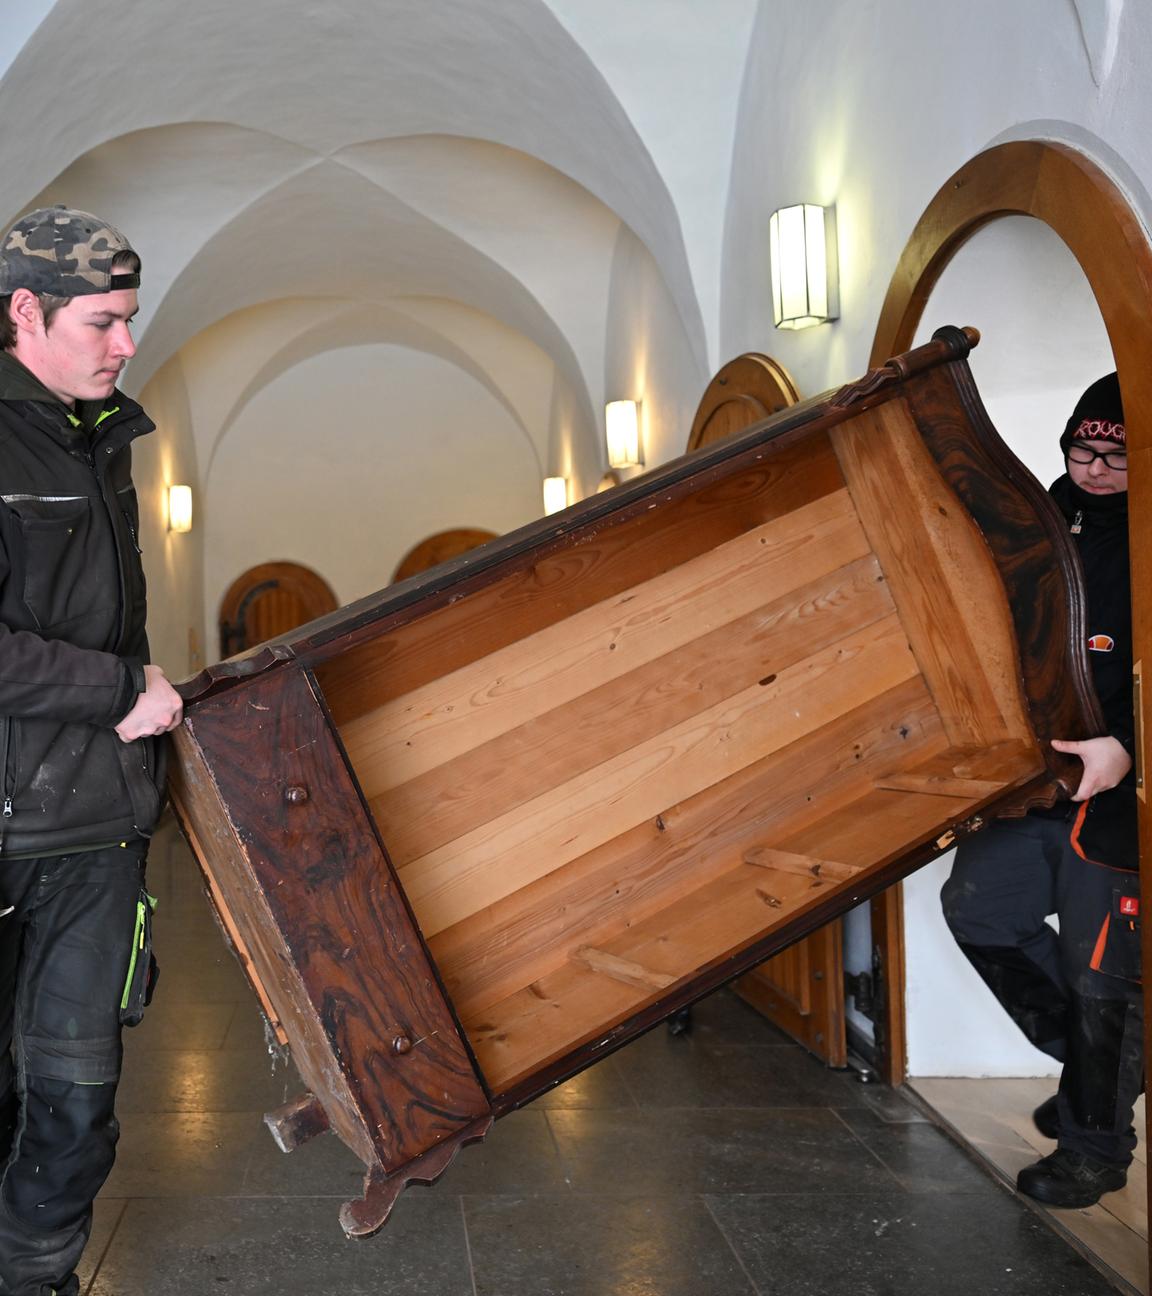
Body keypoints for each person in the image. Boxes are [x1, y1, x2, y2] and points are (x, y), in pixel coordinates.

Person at [0, 207, 183, 1296]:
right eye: (103, 321)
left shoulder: (102, 435)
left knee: (76, 1100)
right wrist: (119, 692)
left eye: (129, 320)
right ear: (25, 311)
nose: (124, 345)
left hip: (95, 832)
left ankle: (37, 1281)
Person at [942, 372, 1140, 1210]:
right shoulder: (1038, 520)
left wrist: (1127, 749)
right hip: (1035, 783)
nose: (1092, 468)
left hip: (1124, 800)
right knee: (979, 908)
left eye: (1115, 456)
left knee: (1103, 971)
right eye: (1080, 447)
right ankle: (1100, 1071)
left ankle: (1096, 1146)